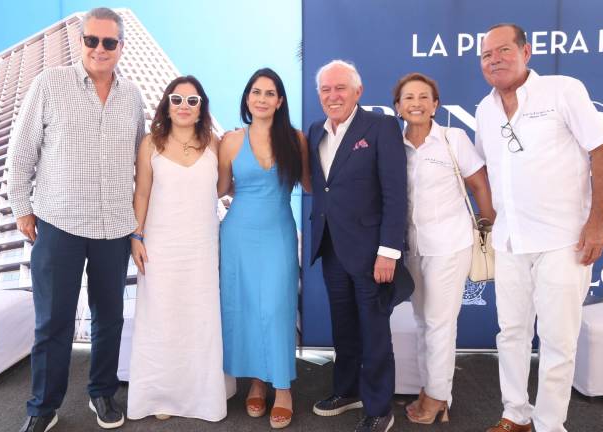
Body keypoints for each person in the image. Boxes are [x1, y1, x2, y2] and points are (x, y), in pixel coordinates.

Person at [7, 7, 144, 432]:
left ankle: (102, 393)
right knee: (54, 321)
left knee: (110, 318)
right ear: (81, 41)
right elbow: (22, 148)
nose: (99, 49)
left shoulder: (134, 96)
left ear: (121, 47)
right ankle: (42, 407)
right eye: (91, 40)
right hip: (58, 221)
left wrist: (140, 227)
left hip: (115, 226)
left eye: (108, 42)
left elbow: (141, 157)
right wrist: (21, 206)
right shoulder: (49, 83)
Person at [475, 24, 603, 432]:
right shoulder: (484, 110)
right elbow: (490, 171)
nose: (494, 59)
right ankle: (514, 415)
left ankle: (550, 424)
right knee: (511, 333)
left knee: (557, 340)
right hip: (510, 242)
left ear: (526, 51)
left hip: (564, 240)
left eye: (503, 50)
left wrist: (597, 222)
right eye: (486, 55)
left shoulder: (562, 90)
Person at [307, 60, 412, 432]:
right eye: (325, 89)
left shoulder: (382, 127)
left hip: (371, 251)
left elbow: (395, 194)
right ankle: (347, 389)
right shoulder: (315, 130)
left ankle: (380, 406)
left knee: (374, 329)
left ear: (358, 91)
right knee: (344, 326)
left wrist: (389, 250)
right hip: (331, 246)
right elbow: (324, 187)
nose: (332, 95)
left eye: (340, 88)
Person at [392, 72, 495, 424]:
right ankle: (431, 389)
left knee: (439, 322)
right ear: (398, 106)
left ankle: (437, 397)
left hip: (450, 244)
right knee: (422, 320)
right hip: (412, 247)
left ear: (436, 104)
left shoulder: (453, 139)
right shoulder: (393, 144)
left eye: (424, 97)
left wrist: (488, 226)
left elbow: (479, 186)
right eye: (409, 97)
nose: (417, 103)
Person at [125, 76, 226, 422]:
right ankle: (162, 396)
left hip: (201, 245)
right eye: (177, 99)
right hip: (159, 244)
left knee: (199, 318)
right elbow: (142, 193)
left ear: (201, 109)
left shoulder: (215, 143)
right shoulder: (150, 143)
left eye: (192, 101)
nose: (184, 106)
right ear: (167, 104)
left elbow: (222, 187)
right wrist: (136, 237)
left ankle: (200, 398)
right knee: (162, 318)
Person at [218, 67, 310, 429]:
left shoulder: (297, 140)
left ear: (280, 101)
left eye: (270, 93)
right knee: (245, 307)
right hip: (238, 233)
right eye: (256, 92)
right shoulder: (229, 140)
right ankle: (256, 380)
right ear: (247, 98)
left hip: (278, 233)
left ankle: (283, 388)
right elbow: (222, 188)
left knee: (276, 307)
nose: (261, 98)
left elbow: (311, 185)